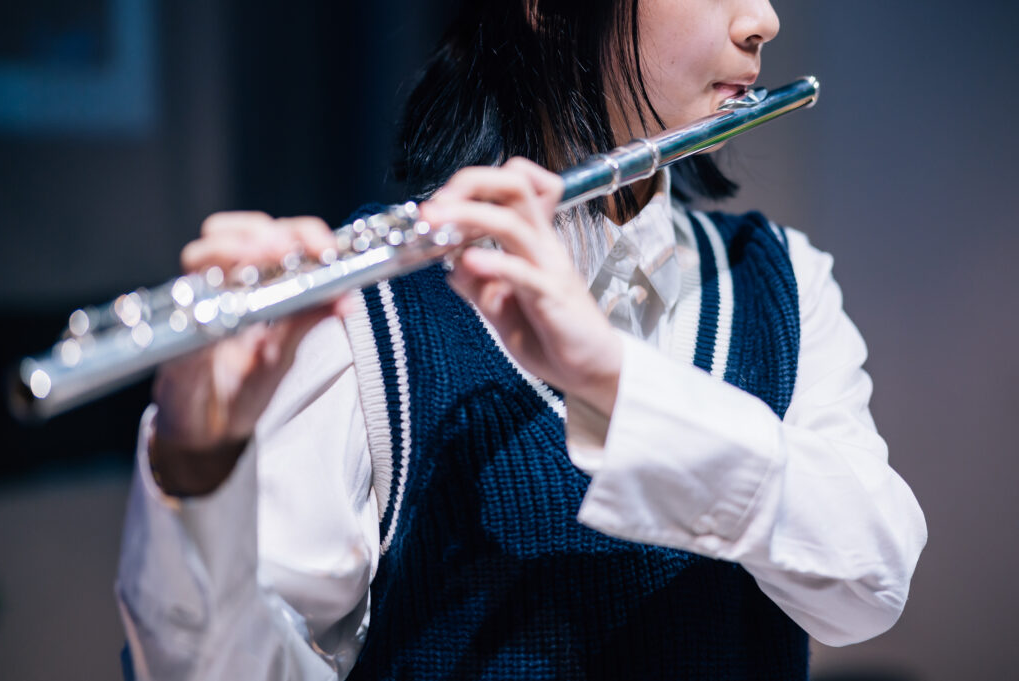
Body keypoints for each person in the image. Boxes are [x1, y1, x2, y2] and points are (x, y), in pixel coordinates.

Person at [116, 0, 927, 679]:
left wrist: (616, 382)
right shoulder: (368, 315)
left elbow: (870, 582)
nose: (763, 20)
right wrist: (197, 469)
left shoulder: (782, 278)